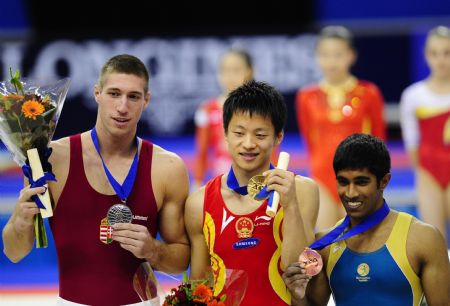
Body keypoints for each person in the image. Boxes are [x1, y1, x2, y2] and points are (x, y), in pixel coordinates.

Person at [2, 54, 191, 305]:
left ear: (146, 101)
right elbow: (14, 253)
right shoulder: (52, 159)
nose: (122, 107)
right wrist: (20, 221)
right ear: (97, 94)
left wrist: (154, 251)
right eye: (114, 94)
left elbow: (182, 258)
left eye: (133, 96)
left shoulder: (167, 167)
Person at [186, 80, 320, 305]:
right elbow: (199, 286)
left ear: (278, 137)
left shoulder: (302, 190)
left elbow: (300, 272)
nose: (248, 144)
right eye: (239, 133)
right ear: (225, 134)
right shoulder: (199, 203)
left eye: (260, 135)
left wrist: (290, 204)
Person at [282, 134, 450, 306]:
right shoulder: (325, 246)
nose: (351, 193)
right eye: (343, 182)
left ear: (384, 181)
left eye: (361, 182)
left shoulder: (423, 239)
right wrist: (298, 297)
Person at [296, 25, 386, 231]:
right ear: (317, 57)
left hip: (359, 176)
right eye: (325, 55)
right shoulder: (306, 96)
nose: (331, 61)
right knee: (327, 241)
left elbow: (379, 140)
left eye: (338, 54)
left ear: (351, 55)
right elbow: (309, 139)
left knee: (358, 240)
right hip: (322, 175)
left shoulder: (368, 93)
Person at [193, 48, 278, 189]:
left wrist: (274, 180)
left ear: (251, 71)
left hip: (256, 183)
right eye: (224, 71)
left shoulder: (263, 109)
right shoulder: (207, 110)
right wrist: (197, 183)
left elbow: (271, 149)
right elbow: (201, 152)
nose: (230, 76)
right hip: (224, 183)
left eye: (236, 70)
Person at [399, 25, 450, 244]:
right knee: (435, 241)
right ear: (426, 55)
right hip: (428, 173)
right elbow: (412, 143)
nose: (440, 60)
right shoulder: (413, 95)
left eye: (447, 53)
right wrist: (422, 173)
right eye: (434, 53)